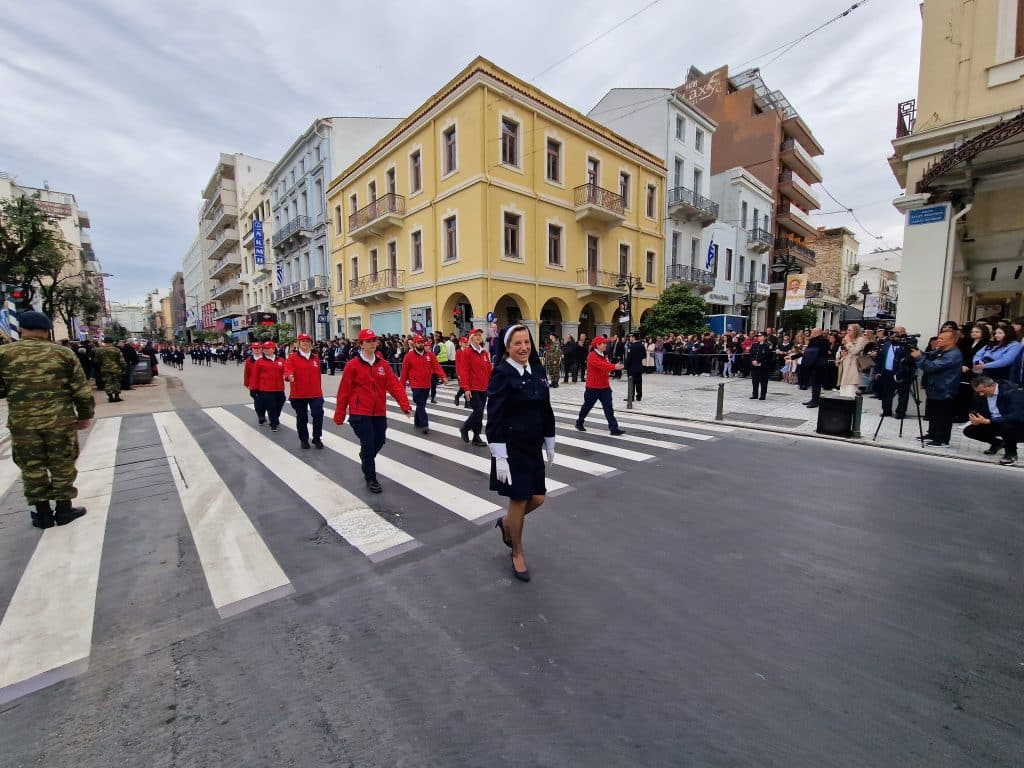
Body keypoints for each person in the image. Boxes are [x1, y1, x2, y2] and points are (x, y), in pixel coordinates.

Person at [0, 312, 93, 529]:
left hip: (23, 423)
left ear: (21, 328)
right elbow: (81, 390)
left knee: (31, 466)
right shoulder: (63, 354)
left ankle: (42, 514)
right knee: (62, 463)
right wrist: (84, 415)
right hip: (60, 421)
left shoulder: (4, 354)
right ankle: (63, 509)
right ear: (47, 330)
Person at [486, 325, 556, 583]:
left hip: (533, 446)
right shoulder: (502, 374)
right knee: (519, 499)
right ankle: (517, 551)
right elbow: (494, 416)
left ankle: (507, 524)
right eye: (518, 343)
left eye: (527, 342)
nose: (524, 347)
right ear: (507, 347)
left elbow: (545, 408)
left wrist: (550, 440)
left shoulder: (536, 370)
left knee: (537, 498)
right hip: (512, 448)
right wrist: (499, 456)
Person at [333, 328, 411, 493]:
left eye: (374, 341)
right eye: (368, 341)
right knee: (368, 445)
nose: (372, 344)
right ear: (361, 344)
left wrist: (405, 406)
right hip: (360, 413)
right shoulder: (352, 365)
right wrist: (339, 415)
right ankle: (371, 478)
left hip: (379, 412)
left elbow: (394, 386)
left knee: (380, 440)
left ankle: (366, 457)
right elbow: (344, 391)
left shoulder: (382, 365)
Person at [911, 328, 962, 447]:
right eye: (938, 338)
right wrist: (917, 351)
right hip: (935, 387)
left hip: (945, 388)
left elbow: (932, 367)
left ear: (952, 340)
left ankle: (942, 439)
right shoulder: (941, 350)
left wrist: (918, 357)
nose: (938, 340)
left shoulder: (953, 354)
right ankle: (933, 434)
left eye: (941, 339)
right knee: (934, 413)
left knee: (943, 415)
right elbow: (927, 355)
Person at [964, 376, 1024, 465]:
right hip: (993, 422)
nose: (981, 394)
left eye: (982, 391)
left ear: (992, 386)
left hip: (1016, 425)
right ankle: (998, 443)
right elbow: (977, 410)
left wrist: (989, 421)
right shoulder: (979, 395)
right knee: (969, 430)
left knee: (1006, 425)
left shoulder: (1011, 392)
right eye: (978, 392)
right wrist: (975, 418)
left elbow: (1016, 416)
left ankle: (1011, 454)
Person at [574, 336, 626, 434]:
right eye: (604, 343)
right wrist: (614, 366)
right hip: (592, 387)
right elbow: (602, 366)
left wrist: (613, 366)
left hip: (604, 387)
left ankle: (614, 429)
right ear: (597, 345)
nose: (606, 345)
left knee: (608, 408)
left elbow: (606, 366)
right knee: (587, 406)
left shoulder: (604, 355)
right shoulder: (592, 356)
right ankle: (579, 422)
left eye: (606, 343)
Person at [400, 334, 447, 434]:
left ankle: (417, 421)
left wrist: (443, 376)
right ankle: (424, 424)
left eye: (422, 342)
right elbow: (404, 372)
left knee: (421, 404)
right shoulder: (409, 356)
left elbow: (436, 366)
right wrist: (402, 386)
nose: (421, 344)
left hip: (426, 384)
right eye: (418, 343)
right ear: (414, 344)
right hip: (415, 384)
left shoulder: (430, 355)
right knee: (420, 403)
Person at [284, 333, 325, 449]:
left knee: (318, 414)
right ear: (298, 343)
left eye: (308, 341)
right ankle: (304, 439)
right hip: (299, 394)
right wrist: (289, 376)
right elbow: (287, 370)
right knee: (302, 417)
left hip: (315, 393)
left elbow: (318, 375)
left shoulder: (315, 358)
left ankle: (317, 437)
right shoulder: (292, 358)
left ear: (311, 343)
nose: (306, 343)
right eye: (303, 341)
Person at [458, 327, 492, 446]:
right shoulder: (467, 352)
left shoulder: (484, 352)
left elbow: (489, 369)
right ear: (471, 338)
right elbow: (464, 371)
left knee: (480, 412)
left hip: (484, 388)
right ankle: (465, 427)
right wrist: (466, 388)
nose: (478, 337)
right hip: (473, 388)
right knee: (477, 411)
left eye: (480, 335)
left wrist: (491, 384)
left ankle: (476, 436)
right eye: (476, 335)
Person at [874, 327, 913, 418]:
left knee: (902, 394)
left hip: (901, 373)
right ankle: (886, 411)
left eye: (897, 332)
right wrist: (878, 371)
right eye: (893, 332)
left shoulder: (907, 344)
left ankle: (900, 412)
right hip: (887, 372)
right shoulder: (887, 344)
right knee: (886, 393)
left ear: (903, 333)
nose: (894, 334)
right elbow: (880, 358)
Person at [254, 340, 286, 432]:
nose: (266, 350)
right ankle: (273, 423)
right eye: (264, 349)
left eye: (268, 348)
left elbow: (287, 371)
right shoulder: (260, 362)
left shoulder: (281, 360)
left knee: (280, 402)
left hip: (279, 388)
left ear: (274, 349)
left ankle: (275, 417)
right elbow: (255, 376)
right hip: (265, 389)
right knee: (271, 406)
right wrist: (254, 389)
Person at [836, 324, 867, 397]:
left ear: (855, 331)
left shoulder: (861, 339)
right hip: (845, 365)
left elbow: (855, 351)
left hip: (853, 366)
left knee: (851, 388)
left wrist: (849, 342)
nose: (847, 332)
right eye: (847, 330)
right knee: (843, 389)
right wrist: (841, 355)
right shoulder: (848, 340)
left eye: (850, 330)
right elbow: (845, 351)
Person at [94, 336, 126, 403]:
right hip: (116, 368)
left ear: (105, 342)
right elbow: (121, 360)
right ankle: (117, 396)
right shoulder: (116, 349)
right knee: (116, 382)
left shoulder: (100, 350)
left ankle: (110, 397)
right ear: (112, 342)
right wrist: (124, 367)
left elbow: (97, 360)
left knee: (108, 382)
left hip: (105, 369)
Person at [748, 332, 774, 400]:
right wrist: (753, 360)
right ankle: (755, 394)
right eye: (758, 336)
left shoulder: (768, 345)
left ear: (765, 337)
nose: (759, 337)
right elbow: (751, 354)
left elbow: (767, 355)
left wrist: (758, 361)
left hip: (763, 366)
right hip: (754, 366)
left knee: (763, 381)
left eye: (761, 336)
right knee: (755, 381)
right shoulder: (754, 345)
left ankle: (763, 395)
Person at [624, 332, 645, 402]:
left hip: (632, 368)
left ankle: (631, 397)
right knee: (639, 383)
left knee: (631, 383)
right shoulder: (642, 345)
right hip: (639, 367)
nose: (629, 338)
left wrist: (626, 367)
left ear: (633, 337)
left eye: (630, 337)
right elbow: (644, 356)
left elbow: (628, 358)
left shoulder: (631, 346)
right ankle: (639, 396)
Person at [453, 336, 469, 406]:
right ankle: (458, 396)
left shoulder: (468, 350)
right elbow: (457, 363)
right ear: (461, 343)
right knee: (463, 387)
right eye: (464, 343)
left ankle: (467, 402)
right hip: (461, 373)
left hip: (468, 372)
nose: (466, 344)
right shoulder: (459, 352)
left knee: (467, 387)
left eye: (466, 343)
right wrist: (458, 374)